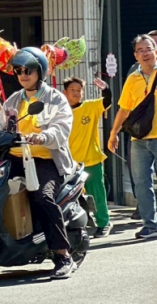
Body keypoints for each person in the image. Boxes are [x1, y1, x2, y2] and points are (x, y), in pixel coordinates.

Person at [0, 47, 76, 279]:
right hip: (14, 158)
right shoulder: (14, 99)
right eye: (19, 70)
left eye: (28, 70)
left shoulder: (55, 99)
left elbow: (61, 128)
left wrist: (43, 137)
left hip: (45, 160)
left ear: (40, 71)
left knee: (43, 197)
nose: (23, 75)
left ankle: (62, 255)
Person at [108, 34, 157, 239]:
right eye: (140, 50)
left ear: (155, 50)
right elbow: (123, 109)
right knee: (141, 182)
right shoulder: (133, 78)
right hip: (139, 138)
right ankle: (151, 225)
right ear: (135, 55)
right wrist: (113, 133)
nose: (145, 53)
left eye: (148, 48)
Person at [64, 77, 112, 238]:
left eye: (79, 90)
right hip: (69, 163)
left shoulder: (90, 107)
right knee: (70, 197)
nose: (77, 93)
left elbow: (107, 101)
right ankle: (78, 223)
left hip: (91, 159)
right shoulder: (59, 111)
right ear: (65, 93)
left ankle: (104, 223)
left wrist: (106, 88)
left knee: (97, 193)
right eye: (73, 90)